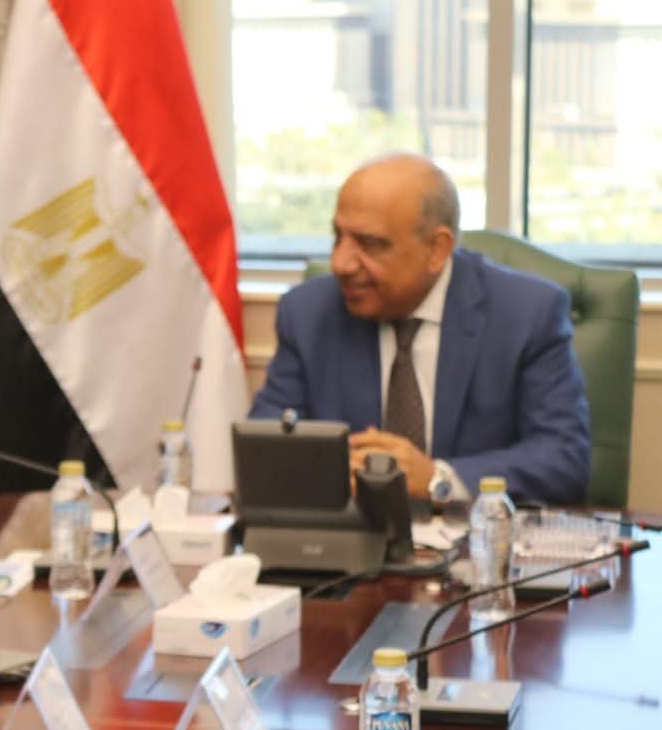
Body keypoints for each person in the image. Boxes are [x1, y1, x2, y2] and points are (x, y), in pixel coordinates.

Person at [250, 153, 590, 505]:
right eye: (338, 237)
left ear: (437, 250)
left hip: (475, 533)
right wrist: (330, 471)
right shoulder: (308, 313)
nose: (341, 263)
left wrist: (437, 479)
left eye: (370, 244)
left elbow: (563, 459)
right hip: (351, 532)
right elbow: (264, 442)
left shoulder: (526, 314)